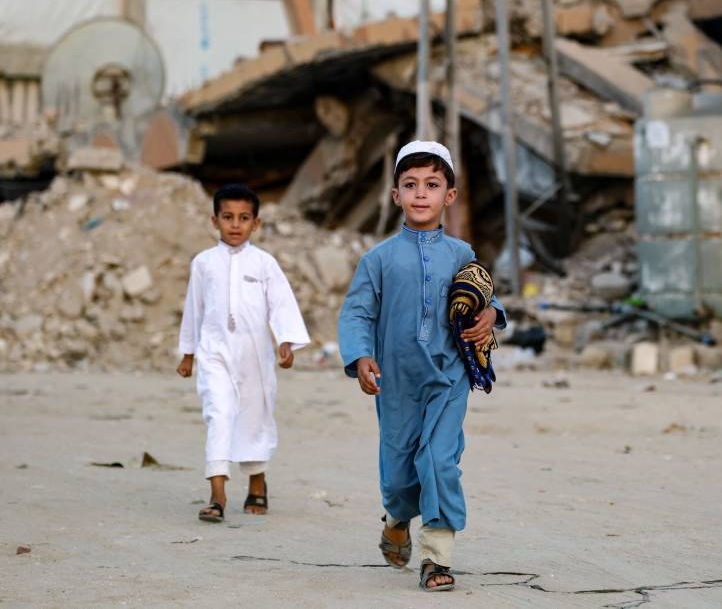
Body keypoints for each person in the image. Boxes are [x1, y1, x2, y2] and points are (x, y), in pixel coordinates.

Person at [338, 141, 506, 592]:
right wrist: (359, 355)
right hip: (396, 380)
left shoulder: (460, 252)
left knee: (439, 461)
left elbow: (483, 293)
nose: (420, 193)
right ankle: (396, 517)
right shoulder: (377, 260)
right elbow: (356, 312)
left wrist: (492, 315)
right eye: (410, 185)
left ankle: (436, 557)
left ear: (449, 195)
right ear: (396, 195)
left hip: (448, 376)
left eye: (432, 185)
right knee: (397, 474)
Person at [177, 184, 310, 523]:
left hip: (255, 355)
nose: (235, 225)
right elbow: (194, 309)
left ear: (256, 223)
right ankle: (217, 495)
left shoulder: (264, 264)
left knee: (254, 416)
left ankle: (257, 481)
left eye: (243, 218)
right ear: (214, 220)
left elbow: (281, 304)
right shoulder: (203, 263)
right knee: (218, 413)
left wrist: (286, 341)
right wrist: (188, 353)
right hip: (214, 351)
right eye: (227, 217)